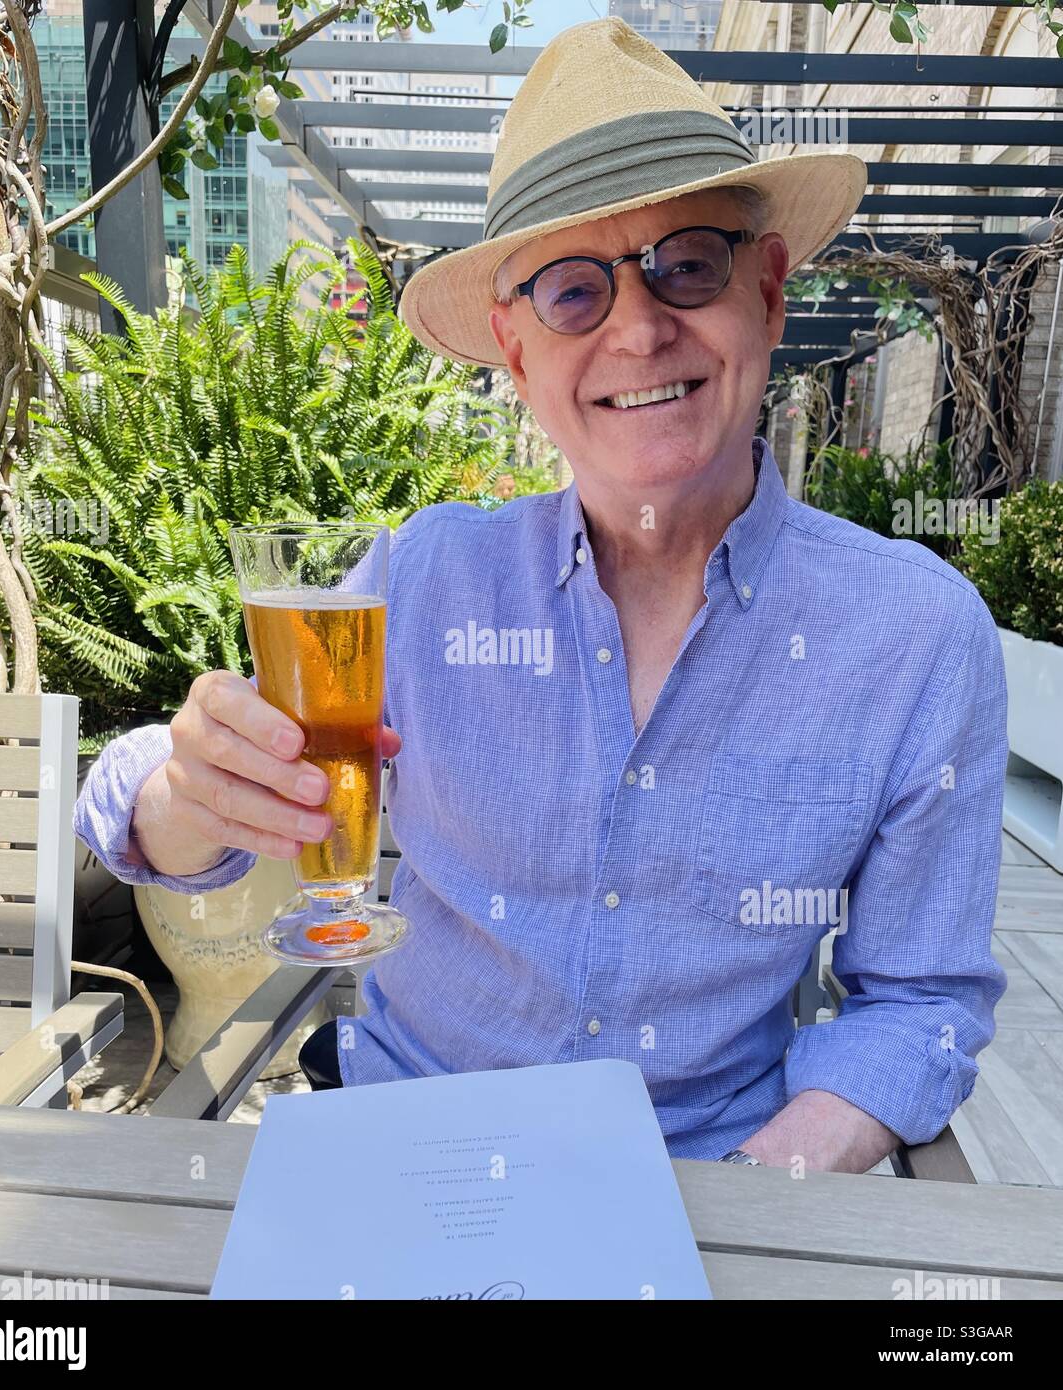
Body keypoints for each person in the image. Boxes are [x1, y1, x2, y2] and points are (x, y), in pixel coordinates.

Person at [75, 17, 1007, 1169]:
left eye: (688, 262)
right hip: (408, 1156)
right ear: (517, 356)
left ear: (766, 294)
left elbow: (920, 1001)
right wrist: (189, 790)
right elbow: (132, 819)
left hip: (709, 1175)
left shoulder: (916, 638)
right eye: (574, 291)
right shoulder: (417, 583)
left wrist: (749, 1196)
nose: (638, 327)